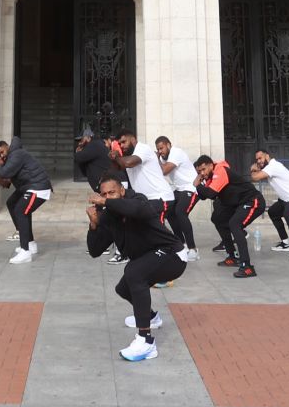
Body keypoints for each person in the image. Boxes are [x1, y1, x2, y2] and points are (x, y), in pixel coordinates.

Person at [86, 172, 186, 362]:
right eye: (103, 194)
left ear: (122, 191)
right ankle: (151, 317)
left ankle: (146, 341)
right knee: (123, 288)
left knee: (134, 273)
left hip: (173, 255)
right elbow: (95, 250)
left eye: (112, 193)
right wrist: (93, 225)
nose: (107, 198)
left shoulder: (138, 200)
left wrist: (105, 203)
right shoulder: (109, 216)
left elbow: (136, 210)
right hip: (150, 257)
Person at [193, 155, 262, 277]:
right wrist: (201, 182)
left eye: (204, 169)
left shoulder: (220, 171)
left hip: (252, 201)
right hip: (238, 204)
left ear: (210, 165)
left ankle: (247, 267)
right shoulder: (210, 176)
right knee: (218, 219)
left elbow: (211, 193)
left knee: (235, 224)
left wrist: (198, 185)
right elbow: (204, 196)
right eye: (199, 171)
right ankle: (233, 257)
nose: (202, 173)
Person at [0, 138, 53, 264]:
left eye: (2, 152)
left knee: (21, 211)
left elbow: (5, 172)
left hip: (38, 187)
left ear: (7, 147)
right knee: (12, 202)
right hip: (29, 187)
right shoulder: (11, 158)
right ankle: (30, 244)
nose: (2, 155)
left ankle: (25, 251)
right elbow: (6, 183)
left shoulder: (16, 154)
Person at [252, 146, 289, 260]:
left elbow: (256, 177)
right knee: (273, 212)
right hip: (286, 200)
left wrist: (253, 169)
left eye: (260, 158)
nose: (259, 161)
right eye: (257, 160)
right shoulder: (270, 167)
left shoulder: (273, 166)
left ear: (267, 156)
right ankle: (285, 242)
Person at [151, 137, 198, 260]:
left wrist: (156, 159)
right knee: (170, 212)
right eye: (158, 149)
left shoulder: (176, 152)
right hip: (179, 189)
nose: (160, 151)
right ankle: (182, 245)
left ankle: (193, 249)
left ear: (169, 145)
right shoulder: (162, 158)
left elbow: (165, 170)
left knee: (180, 212)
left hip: (192, 187)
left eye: (161, 148)